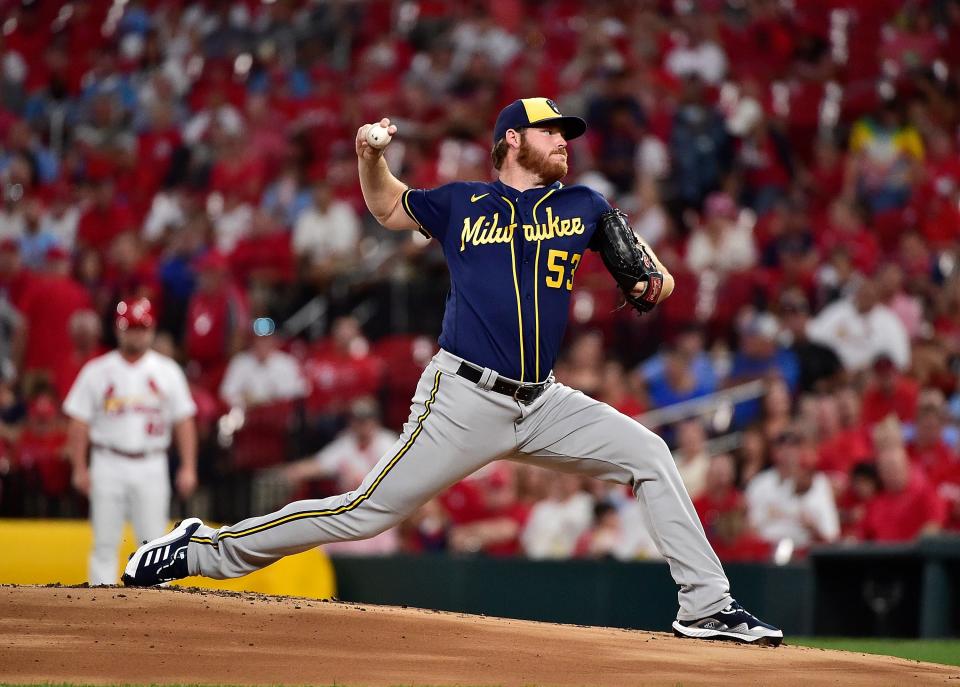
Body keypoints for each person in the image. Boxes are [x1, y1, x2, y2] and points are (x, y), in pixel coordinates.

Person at [122, 98, 782, 645]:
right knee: (362, 511)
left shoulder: (582, 205)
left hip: (545, 401)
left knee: (649, 453)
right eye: (552, 131)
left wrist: (650, 278)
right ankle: (200, 548)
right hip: (463, 396)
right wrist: (369, 156)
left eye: (567, 133)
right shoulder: (463, 203)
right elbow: (387, 208)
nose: (564, 142)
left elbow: (657, 281)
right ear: (512, 139)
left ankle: (705, 604)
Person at [64, 297, 198, 585]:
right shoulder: (97, 371)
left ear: (151, 330)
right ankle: (101, 609)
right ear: (118, 329)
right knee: (104, 543)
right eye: (130, 328)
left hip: (151, 461)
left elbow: (184, 421)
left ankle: (155, 609)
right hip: (107, 460)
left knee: (155, 543)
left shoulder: (167, 371)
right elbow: (79, 422)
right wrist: (79, 467)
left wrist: (188, 466)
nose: (136, 334)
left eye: (141, 328)